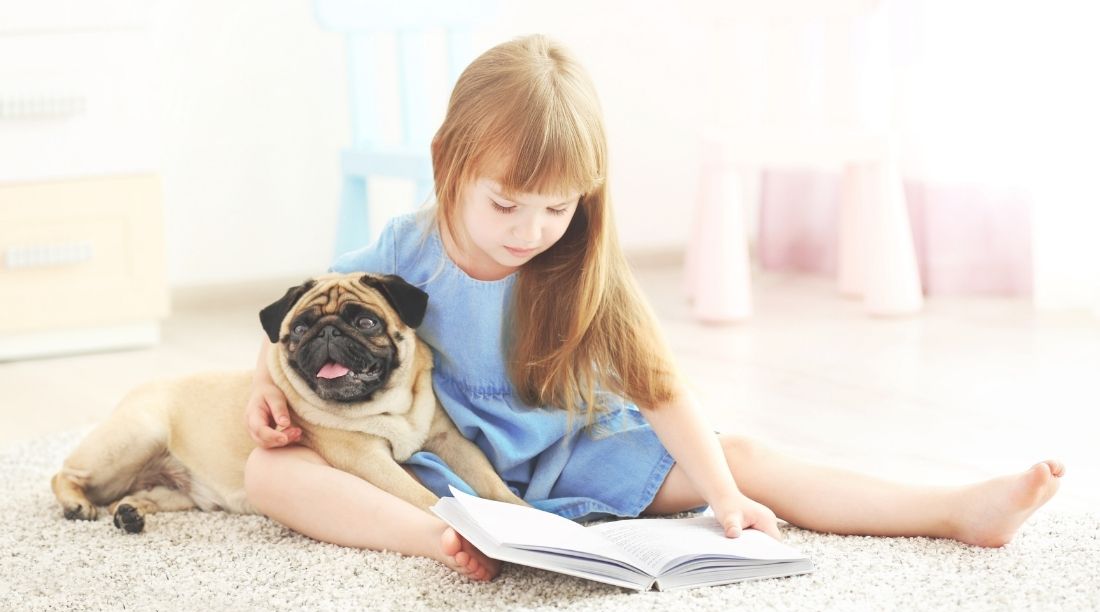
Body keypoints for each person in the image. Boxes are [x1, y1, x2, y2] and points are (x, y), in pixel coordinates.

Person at [243, 34, 1063, 582]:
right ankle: (440, 540)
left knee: (739, 453)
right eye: (507, 206)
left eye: (557, 207)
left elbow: (662, 390)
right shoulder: (402, 247)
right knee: (269, 472)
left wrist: (724, 496)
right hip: (444, 460)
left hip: (577, 450)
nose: (532, 230)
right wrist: (263, 387)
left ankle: (950, 510)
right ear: (446, 163)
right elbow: (301, 318)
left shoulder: (580, 263)